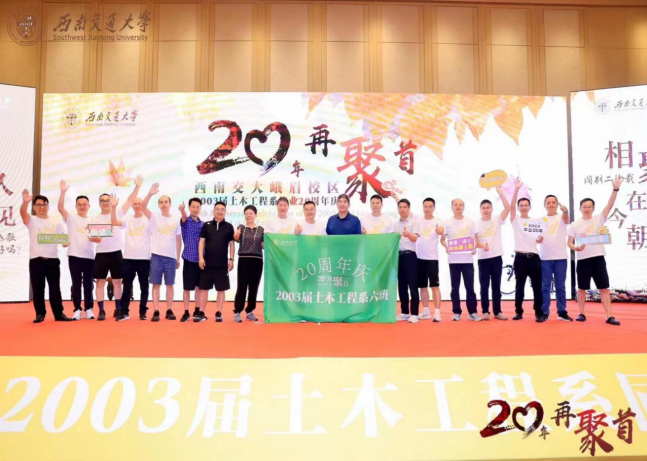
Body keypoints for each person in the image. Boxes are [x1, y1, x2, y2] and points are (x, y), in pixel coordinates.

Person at [567, 176, 623, 326]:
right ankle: (581, 313)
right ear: (580, 208)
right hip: (583, 260)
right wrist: (577, 248)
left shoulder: (599, 218)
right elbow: (570, 243)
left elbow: (610, 204)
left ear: (593, 208)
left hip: (598, 258)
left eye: (589, 206)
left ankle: (609, 316)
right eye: (584, 206)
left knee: (604, 288)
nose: (587, 208)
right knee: (581, 288)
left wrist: (615, 189)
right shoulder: (574, 225)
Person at [20, 190, 72, 323]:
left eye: (44, 204)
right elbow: (23, 213)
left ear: (48, 206)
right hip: (36, 259)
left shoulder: (56, 222)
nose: (41, 207)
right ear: (34, 207)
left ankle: (59, 313)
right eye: (38, 205)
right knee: (38, 289)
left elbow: (62, 238)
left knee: (55, 289)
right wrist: (25, 202)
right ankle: (40, 314)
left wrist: (65, 242)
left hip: (53, 260)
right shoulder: (32, 220)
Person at [110, 179, 152, 321]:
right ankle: (124, 311)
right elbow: (114, 222)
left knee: (144, 287)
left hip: (144, 259)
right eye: (135, 203)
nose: (137, 205)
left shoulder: (149, 220)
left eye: (139, 203)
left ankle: (142, 312)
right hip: (128, 259)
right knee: (127, 286)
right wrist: (113, 208)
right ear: (132, 205)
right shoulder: (127, 218)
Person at [142, 184, 182, 322]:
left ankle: (169, 309)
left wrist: (178, 258)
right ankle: (156, 310)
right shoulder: (154, 217)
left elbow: (178, 240)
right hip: (157, 256)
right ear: (158, 205)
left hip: (171, 257)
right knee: (156, 284)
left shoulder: (176, 219)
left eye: (166, 202)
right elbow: (142, 207)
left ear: (170, 204)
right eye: (161, 202)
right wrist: (150, 194)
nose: (163, 204)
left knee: (170, 285)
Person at [58, 180, 95, 320]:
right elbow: (60, 208)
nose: (82, 206)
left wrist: (97, 239)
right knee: (76, 284)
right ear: (76, 206)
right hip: (74, 256)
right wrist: (63, 192)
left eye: (84, 204)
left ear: (89, 206)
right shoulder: (71, 218)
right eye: (79, 204)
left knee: (88, 284)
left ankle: (89, 309)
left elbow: (99, 237)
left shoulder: (93, 220)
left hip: (89, 256)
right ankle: (77, 309)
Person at [510, 180, 544, 322]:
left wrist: (540, 239)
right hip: (520, 258)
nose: (523, 207)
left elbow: (539, 238)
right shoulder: (516, 220)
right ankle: (518, 311)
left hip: (534, 258)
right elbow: (511, 205)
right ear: (518, 207)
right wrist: (516, 189)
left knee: (537, 287)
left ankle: (538, 312)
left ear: (530, 207)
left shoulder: (536, 222)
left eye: (526, 205)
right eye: (521, 205)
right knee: (519, 287)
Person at [441, 198, 481, 321]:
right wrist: (447, 247)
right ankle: (456, 312)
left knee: (470, 288)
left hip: (467, 260)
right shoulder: (447, 222)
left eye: (460, 205)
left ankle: (472, 312)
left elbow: (476, 238)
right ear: (452, 207)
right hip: (453, 261)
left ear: (464, 207)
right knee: (455, 288)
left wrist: (474, 247)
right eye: (455, 205)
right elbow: (442, 240)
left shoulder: (470, 221)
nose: (458, 207)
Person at [476, 186, 511, 321]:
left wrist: (501, 193)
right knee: (484, 287)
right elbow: (474, 242)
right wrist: (481, 246)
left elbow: (507, 208)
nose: (486, 210)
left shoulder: (497, 219)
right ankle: (485, 311)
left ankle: (497, 311)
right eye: (483, 208)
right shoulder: (476, 223)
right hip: (483, 259)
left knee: (496, 286)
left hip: (496, 257)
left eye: (488, 207)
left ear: (491, 209)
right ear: (480, 210)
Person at [90, 192, 125, 320]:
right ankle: (101, 310)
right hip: (101, 254)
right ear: (99, 203)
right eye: (102, 201)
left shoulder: (118, 213)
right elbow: (91, 237)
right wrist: (95, 239)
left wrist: (137, 187)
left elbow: (130, 200)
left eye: (107, 200)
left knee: (117, 282)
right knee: (100, 282)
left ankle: (118, 309)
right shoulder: (94, 219)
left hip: (116, 253)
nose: (105, 203)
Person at [198, 201, 235, 322]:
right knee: (204, 289)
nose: (219, 211)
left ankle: (218, 312)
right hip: (207, 263)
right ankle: (201, 312)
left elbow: (232, 244)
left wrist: (231, 259)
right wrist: (201, 258)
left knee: (221, 289)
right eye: (217, 209)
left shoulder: (229, 227)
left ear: (225, 212)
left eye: (222, 209)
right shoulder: (206, 225)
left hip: (222, 264)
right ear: (213, 211)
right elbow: (201, 242)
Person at [540, 195, 572, 321]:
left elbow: (566, 219)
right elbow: (536, 237)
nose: (551, 204)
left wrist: (565, 211)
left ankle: (562, 312)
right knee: (545, 287)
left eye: (553, 202)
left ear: (557, 204)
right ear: (544, 205)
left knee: (560, 287)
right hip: (545, 258)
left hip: (561, 257)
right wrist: (538, 239)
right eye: (548, 202)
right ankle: (544, 312)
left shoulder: (562, 217)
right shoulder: (540, 220)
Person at [233, 205, 265, 323]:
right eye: (246, 213)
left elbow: (263, 246)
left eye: (251, 213)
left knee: (254, 287)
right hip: (244, 260)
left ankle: (250, 311)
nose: (248, 215)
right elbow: (236, 237)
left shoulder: (261, 229)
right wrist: (236, 235)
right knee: (241, 286)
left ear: (255, 215)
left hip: (257, 260)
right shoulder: (241, 227)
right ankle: (237, 311)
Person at [416, 197, 444, 322]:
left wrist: (440, 230)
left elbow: (441, 229)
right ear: (423, 207)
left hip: (432, 258)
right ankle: (426, 311)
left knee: (434, 286)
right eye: (425, 206)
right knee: (422, 286)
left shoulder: (438, 221)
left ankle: (437, 313)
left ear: (434, 208)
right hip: (419, 258)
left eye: (430, 206)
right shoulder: (418, 220)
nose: (427, 209)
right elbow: (405, 210)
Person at [393, 198, 421, 323]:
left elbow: (415, 238)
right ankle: (404, 312)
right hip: (399, 257)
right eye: (400, 207)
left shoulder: (414, 222)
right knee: (402, 285)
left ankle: (414, 313)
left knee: (413, 285)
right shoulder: (395, 224)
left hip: (410, 256)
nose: (402, 209)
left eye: (405, 207)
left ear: (408, 209)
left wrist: (408, 234)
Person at [179, 198, 204, 322]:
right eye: (193, 206)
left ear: (200, 208)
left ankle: (197, 310)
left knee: (199, 287)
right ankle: (186, 311)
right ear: (189, 208)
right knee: (187, 288)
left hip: (200, 260)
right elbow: (183, 216)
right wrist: (182, 210)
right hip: (188, 259)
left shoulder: (203, 224)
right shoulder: (185, 221)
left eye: (197, 207)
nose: (195, 209)